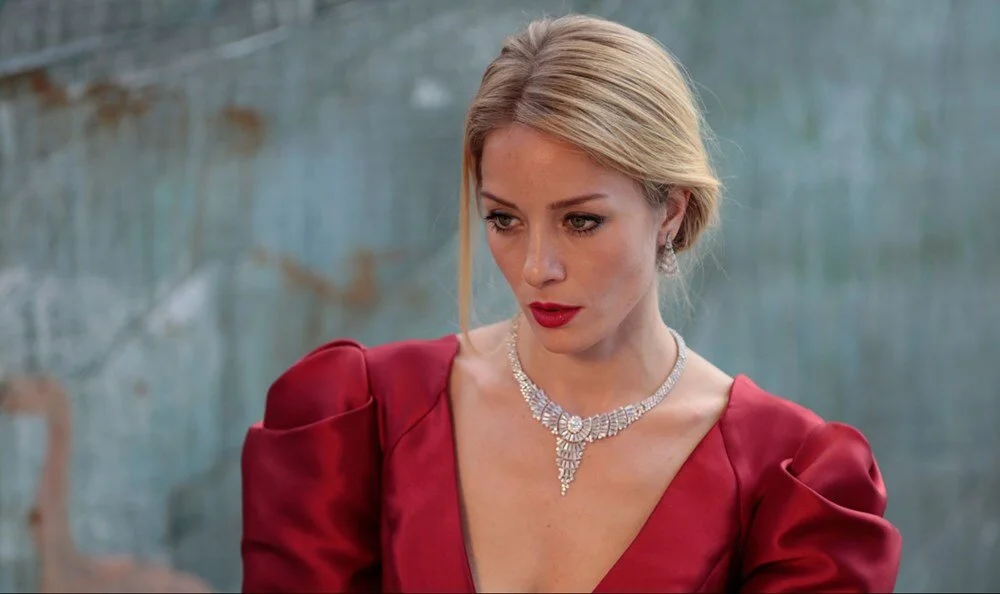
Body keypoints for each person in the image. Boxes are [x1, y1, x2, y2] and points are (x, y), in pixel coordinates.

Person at [240, 14, 902, 593]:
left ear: (671, 211)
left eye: (581, 221)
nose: (537, 267)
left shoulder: (790, 481)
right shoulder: (360, 419)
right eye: (504, 219)